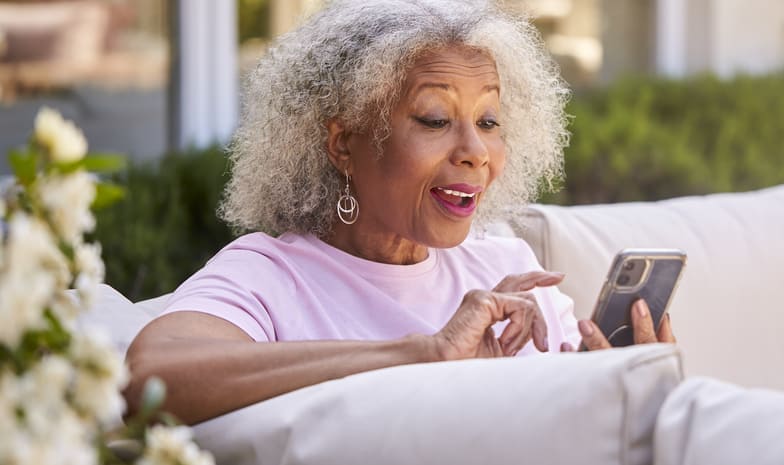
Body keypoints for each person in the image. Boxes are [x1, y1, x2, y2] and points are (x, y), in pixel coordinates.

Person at [124, 0, 676, 425]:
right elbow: (148, 377)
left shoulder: (510, 269)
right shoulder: (268, 275)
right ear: (343, 144)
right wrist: (422, 355)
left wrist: (620, 386)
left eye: (488, 122)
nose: (475, 151)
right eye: (435, 120)